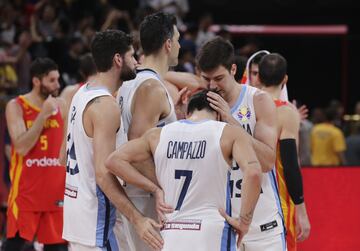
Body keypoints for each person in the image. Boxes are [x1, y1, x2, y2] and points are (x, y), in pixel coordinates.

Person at [106, 89, 263, 250]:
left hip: (172, 233)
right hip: (211, 232)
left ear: (188, 113)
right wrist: (244, 221)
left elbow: (113, 160)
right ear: (219, 114)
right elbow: (254, 173)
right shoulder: (228, 132)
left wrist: (154, 189)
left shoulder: (157, 135)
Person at [62, 30, 163, 251]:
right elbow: (102, 173)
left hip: (77, 215)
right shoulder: (105, 106)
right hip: (96, 221)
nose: (136, 62)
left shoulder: (80, 94)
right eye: (132, 56)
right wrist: (138, 219)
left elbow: (63, 157)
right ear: (118, 59)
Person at [196, 37, 284, 251]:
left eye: (218, 78)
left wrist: (231, 121)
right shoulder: (199, 105)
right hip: (219, 226)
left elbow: (267, 162)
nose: (212, 86)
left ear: (233, 69)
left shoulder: (258, 101)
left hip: (261, 226)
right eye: (206, 79)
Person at [116, 12, 184, 251]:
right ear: (167, 44)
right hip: (146, 197)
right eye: (177, 39)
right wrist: (164, 187)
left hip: (137, 193)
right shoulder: (152, 88)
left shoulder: (129, 82)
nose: (179, 45)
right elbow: (137, 144)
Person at [3, 57, 67, 251]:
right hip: (26, 192)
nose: (58, 85)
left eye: (58, 79)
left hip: (55, 191)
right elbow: (21, 147)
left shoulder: (62, 105)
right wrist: (43, 116)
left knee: (57, 248)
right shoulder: (16, 106)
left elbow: (64, 151)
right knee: (15, 245)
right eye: (52, 80)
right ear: (37, 81)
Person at [259, 53, 311, 251]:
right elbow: (290, 165)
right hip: (276, 198)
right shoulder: (286, 112)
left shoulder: (244, 105)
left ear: (258, 77)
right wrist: (302, 211)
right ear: (285, 79)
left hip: (242, 194)